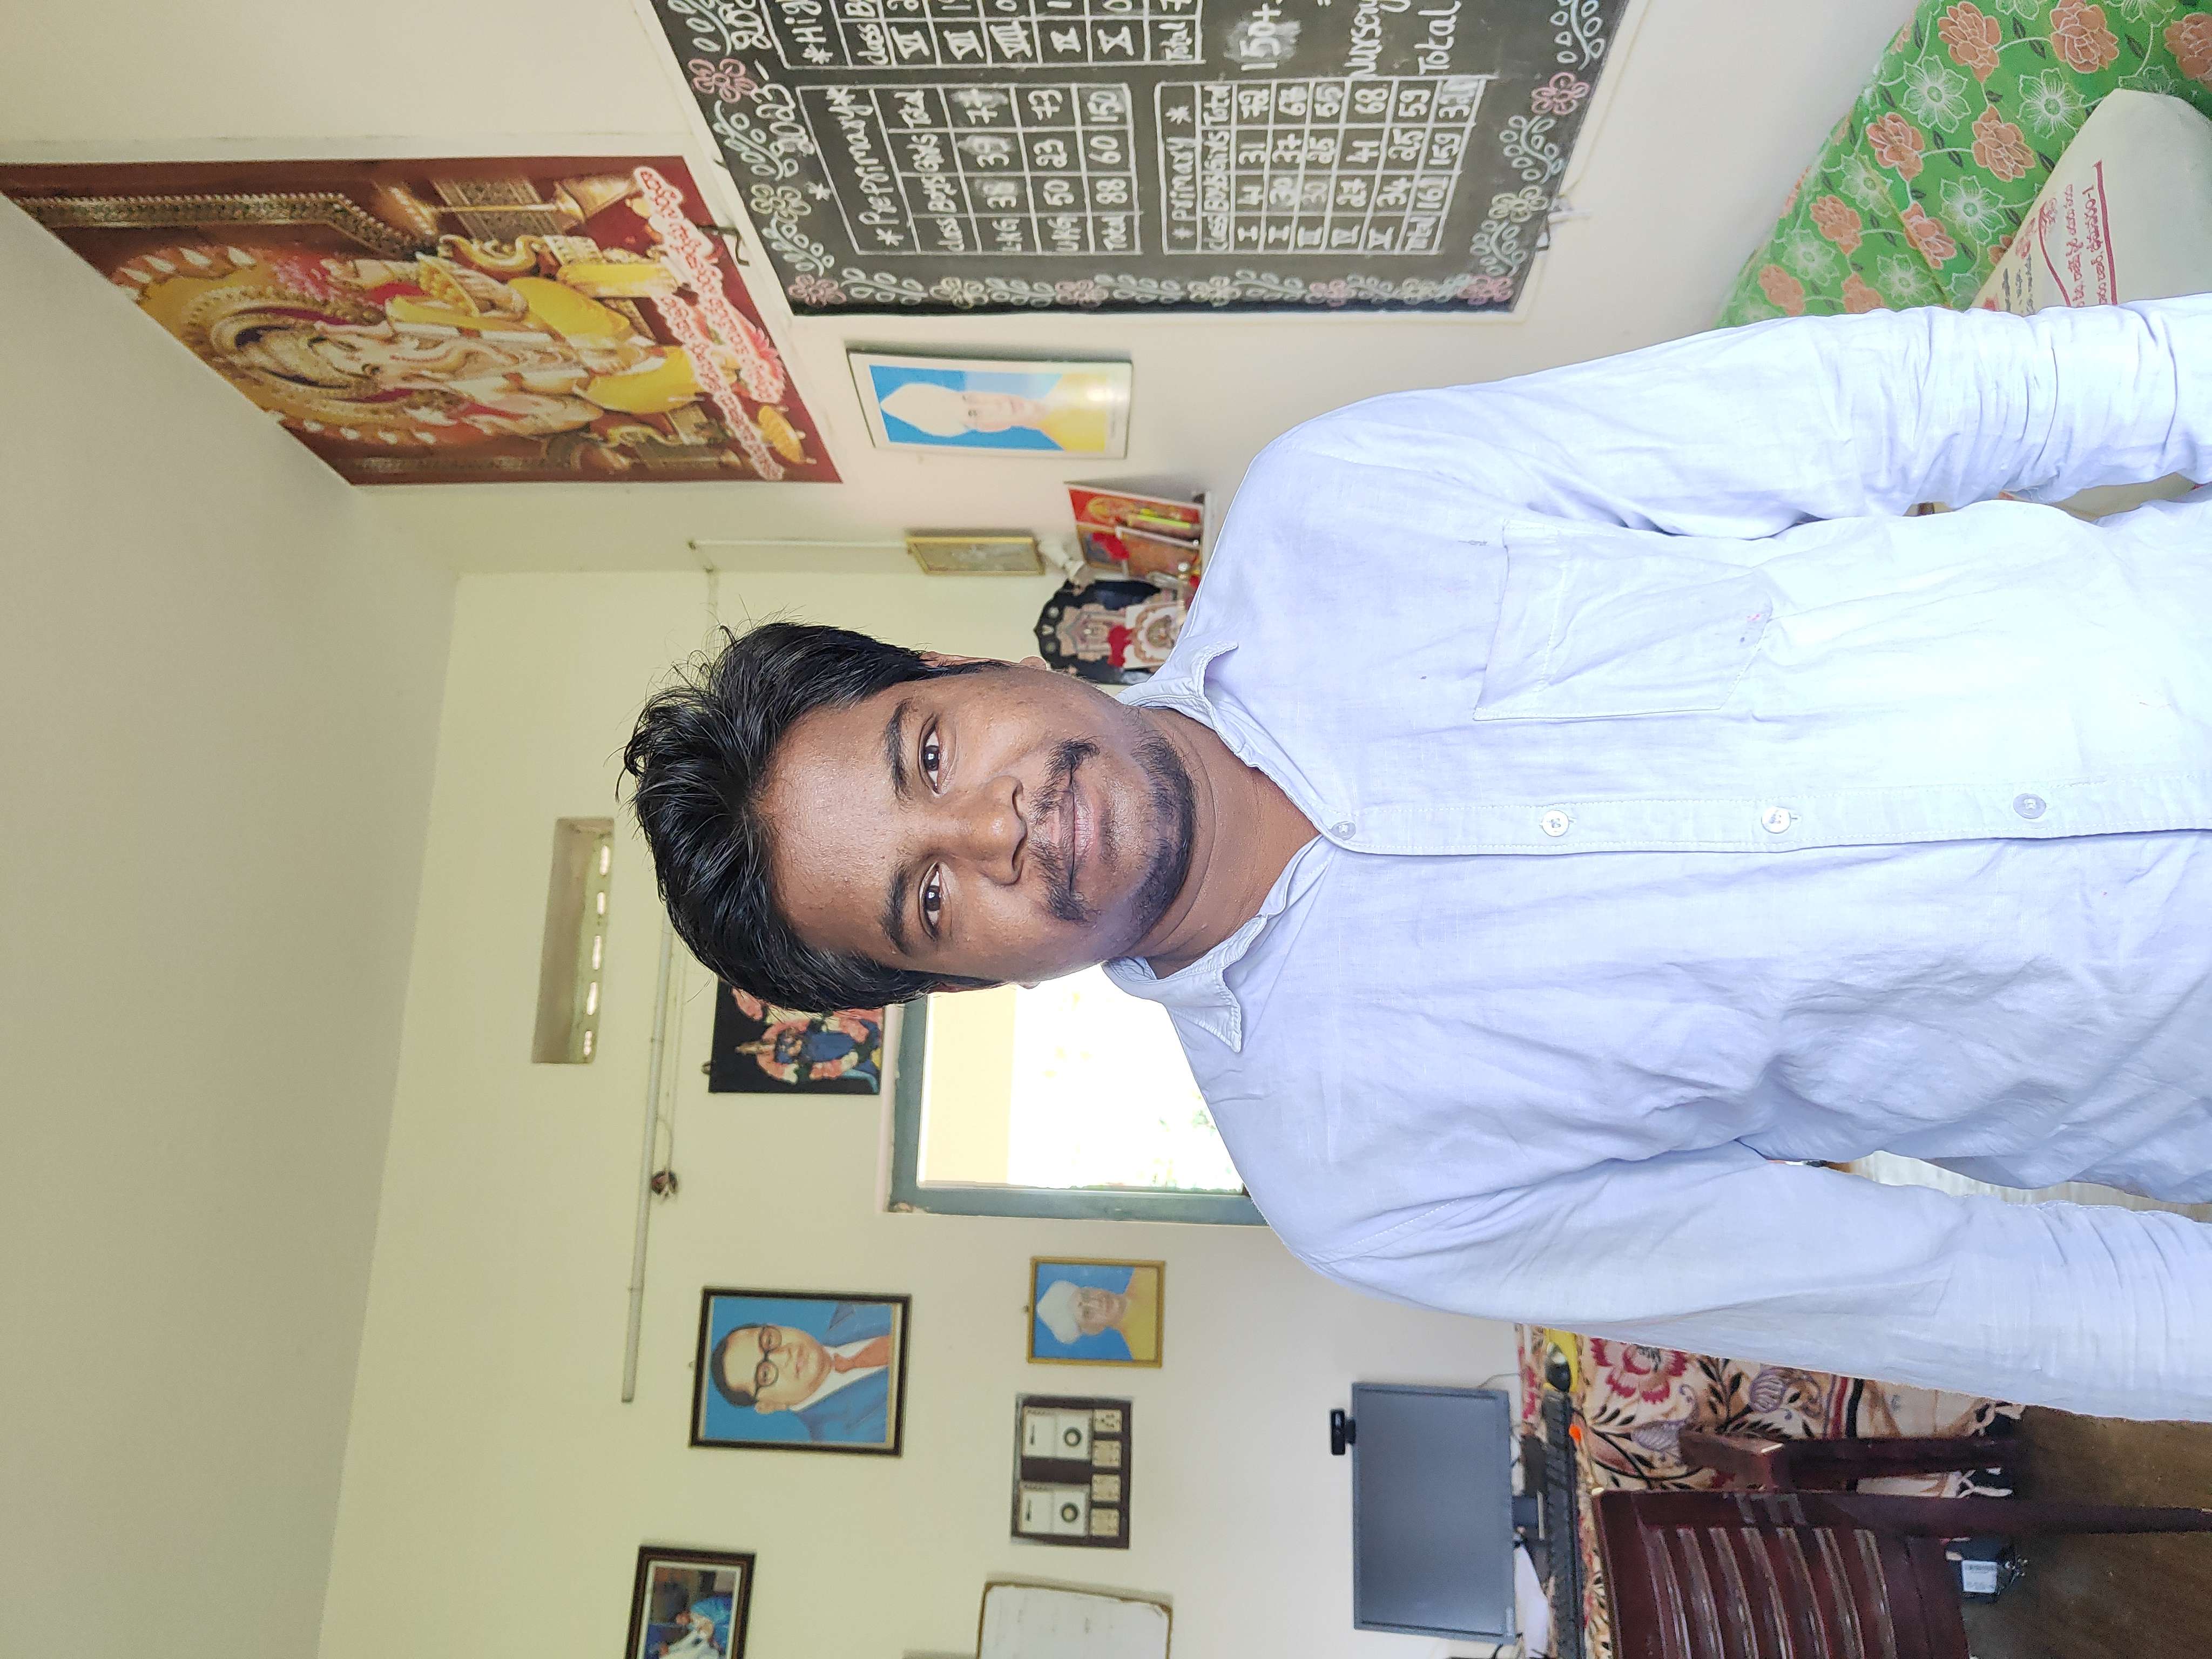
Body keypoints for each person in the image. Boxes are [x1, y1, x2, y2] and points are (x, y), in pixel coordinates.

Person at [626, 297, 2212, 1421]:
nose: (994, 828)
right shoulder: (1361, 1186)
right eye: (926, 897)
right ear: (965, 982)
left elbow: (1876, 407)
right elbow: (1948, 1289)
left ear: (954, 669)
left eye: (927, 754)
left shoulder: (1341, 502)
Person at [707, 1302, 895, 1444]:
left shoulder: (854, 1306)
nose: (784, 1355)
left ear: (776, 1326)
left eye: (769, 1341)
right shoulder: (846, 1443)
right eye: (765, 1375)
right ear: (769, 1406)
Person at [877, 375, 1110, 452]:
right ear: (991, 428)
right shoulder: (1080, 443)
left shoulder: (1077, 378)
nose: (995, 406)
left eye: (970, 398)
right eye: (974, 414)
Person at [1036, 1269, 1158, 1361]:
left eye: (1086, 1295)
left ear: (1092, 1288)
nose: (1097, 1303)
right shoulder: (1146, 1353)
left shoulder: (1147, 1272)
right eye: (1087, 1313)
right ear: (1094, 1330)